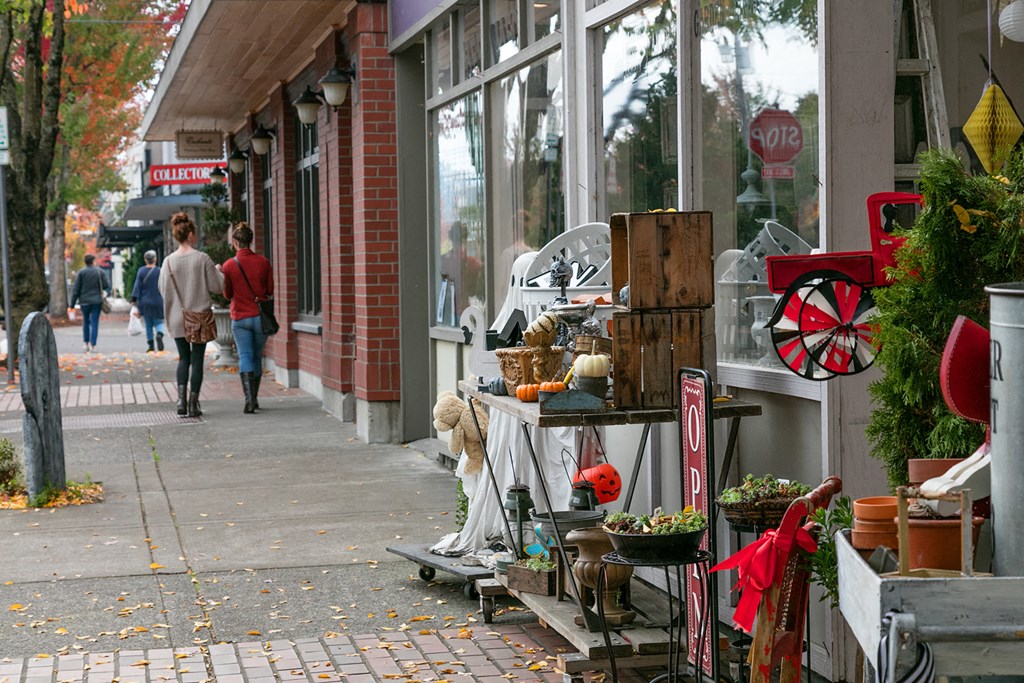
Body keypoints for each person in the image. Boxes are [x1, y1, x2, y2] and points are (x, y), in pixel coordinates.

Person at [158, 212, 224, 418]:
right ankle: (194, 404)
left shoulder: (168, 262)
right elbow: (217, 286)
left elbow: (163, 289)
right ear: (190, 234)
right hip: (199, 318)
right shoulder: (202, 259)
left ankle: (180, 401)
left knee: (183, 359)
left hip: (178, 317)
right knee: (197, 360)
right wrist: (218, 270)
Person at [220, 222, 274, 414]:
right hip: (260, 317)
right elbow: (269, 290)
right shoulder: (263, 262)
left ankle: (248, 399)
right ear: (250, 241)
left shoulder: (228, 265)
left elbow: (227, 295)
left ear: (235, 242)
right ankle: (255, 397)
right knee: (257, 356)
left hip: (239, 318)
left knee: (245, 356)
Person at [69, 253, 112, 353]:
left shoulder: (81, 273)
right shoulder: (99, 271)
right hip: (96, 301)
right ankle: (93, 345)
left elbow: (76, 290)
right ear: (93, 261)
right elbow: (106, 285)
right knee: (94, 322)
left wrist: (72, 305)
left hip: (84, 301)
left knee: (86, 321)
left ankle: (85, 343)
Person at [130, 250, 166, 353]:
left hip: (145, 302)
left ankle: (151, 346)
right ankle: (159, 334)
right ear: (155, 259)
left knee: (148, 324)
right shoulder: (160, 271)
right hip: (158, 300)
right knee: (159, 321)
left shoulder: (141, 271)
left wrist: (134, 299)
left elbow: (137, 286)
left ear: (145, 260)